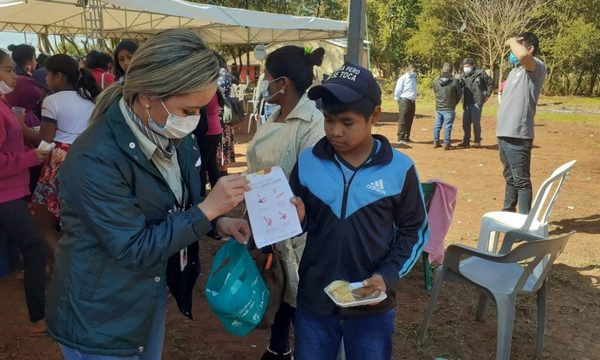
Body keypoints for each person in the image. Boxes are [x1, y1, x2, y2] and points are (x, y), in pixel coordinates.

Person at [45, 29, 251, 360]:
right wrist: (205, 213)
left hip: (145, 293)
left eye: (201, 109)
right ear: (147, 96)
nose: (194, 121)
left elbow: (179, 205)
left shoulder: (173, 137)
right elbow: (133, 247)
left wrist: (218, 221)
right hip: (98, 312)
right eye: (187, 111)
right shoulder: (95, 157)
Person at [290, 62, 429, 360]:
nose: (335, 131)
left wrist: (387, 275)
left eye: (347, 122)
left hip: (371, 305)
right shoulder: (307, 162)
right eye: (328, 120)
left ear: (374, 116)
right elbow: (297, 223)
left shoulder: (399, 169)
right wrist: (296, 219)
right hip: (315, 300)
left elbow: (414, 230)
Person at [245, 45, 326, 360]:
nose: (263, 84)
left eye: (265, 78)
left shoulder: (311, 124)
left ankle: (300, 350)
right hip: (267, 217)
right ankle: (278, 347)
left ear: (283, 82)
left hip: (294, 222)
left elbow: (308, 180)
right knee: (277, 280)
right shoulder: (275, 115)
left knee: (297, 291)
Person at [17, 54, 100, 269]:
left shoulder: (52, 101)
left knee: (43, 223)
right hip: (87, 160)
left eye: (48, 75)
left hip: (59, 162)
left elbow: (45, 141)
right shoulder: (89, 98)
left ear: (59, 76)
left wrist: (22, 126)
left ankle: (67, 270)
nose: (46, 80)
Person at [0, 48, 48, 335]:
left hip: (11, 189)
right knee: (36, 248)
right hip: (4, 194)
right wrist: (31, 158)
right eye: (7, 70)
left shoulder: (4, 104)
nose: (15, 76)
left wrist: (28, 151)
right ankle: (38, 318)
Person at [496, 32, 546, 214]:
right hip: (504, 132)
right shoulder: (515, 71)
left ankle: (524, 223)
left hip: (518, 133)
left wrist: (511, 40)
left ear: (530, 48)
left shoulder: (536, 67)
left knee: (522, 180)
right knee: (510, 177)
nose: (511, 50)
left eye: (518, 44)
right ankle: (507, 212)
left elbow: (523, 56)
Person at [458, 58, 493, 148]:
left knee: (475, 121)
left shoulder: (480, 73)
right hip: (466, 102)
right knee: (465, 122)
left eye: (468, 66)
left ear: (472, 65)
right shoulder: (463, 76)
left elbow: (490, 83)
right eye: (464, 66)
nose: (466, 68)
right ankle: (466, 141)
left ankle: (477, 141)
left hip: (477, 102)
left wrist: (487, 95)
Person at [196, 92, 223, 196]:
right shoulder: (216, 93)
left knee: (202, 166)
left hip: (207, 133)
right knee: (212, 165)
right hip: (216, 130)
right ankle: (218, 194)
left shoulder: (207, 95)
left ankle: (201, 195)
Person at [432, 63, 462, 150]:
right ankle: (446, 144)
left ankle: (435, 142)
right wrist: (454, 103)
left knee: (437, 125)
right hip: (449, 107)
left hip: (438, 107)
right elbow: (459, 94)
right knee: (448, 126)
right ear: (451, 71)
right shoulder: (455, 81)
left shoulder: (436, 81)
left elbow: (435, 93)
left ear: (442, 70)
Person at [394, 63, 417, 145]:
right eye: (413, 70)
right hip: (404, 100)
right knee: (403, 119)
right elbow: (398, 90)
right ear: (409, 70)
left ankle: (406, 137)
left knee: (410, 119)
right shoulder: (403, 78)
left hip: (412, 101)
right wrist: (397, 99)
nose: (415, 72)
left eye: (415, 70)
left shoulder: (414, 78)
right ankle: (400, 138)